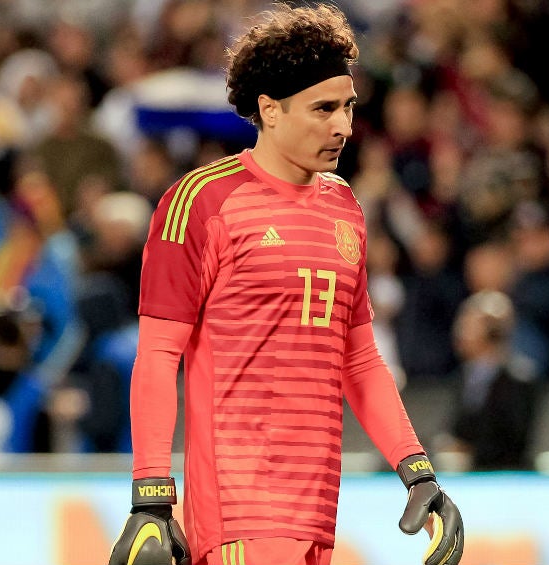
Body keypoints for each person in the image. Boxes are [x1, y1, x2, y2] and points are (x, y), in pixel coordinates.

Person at [107, 5, 463, 565]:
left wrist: (418, 472)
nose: (343, 126)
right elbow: (157, 354)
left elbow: (359, 359)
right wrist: (151, 495)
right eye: (323, 109)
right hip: (240, 510)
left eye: (348, 106)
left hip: (317, 509)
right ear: (270, 110)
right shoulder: (201, 201)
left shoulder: (344, 207)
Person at [439, 290, 538, 470]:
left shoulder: (520, 378)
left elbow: (515, 440)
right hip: (468, 475)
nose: (459, 333)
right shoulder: (463, 376)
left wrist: (470, 452)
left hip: (506, 475)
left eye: (468, 326)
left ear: (493, 331)